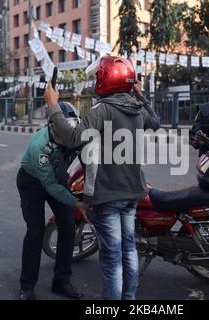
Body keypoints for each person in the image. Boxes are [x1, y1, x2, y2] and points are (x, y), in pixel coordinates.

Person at [44, 56, 160, 300]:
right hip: (133, 193)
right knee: (129, 250)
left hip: (107, 195)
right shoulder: (136, 108)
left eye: (98, 75)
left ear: (106, 79)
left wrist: (53, 107)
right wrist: (140, 95)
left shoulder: (103, 109)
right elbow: (156, 122)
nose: (96, 78)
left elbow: (72, 137)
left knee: (112, 258)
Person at [17, 102, 90, 300]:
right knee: (36, 231)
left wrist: (92, 193)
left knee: (68, 225)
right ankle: (27, 286)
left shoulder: (77, 136)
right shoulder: (39, 146)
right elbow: (49, 185)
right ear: (52, 126)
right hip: (32, 182)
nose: (69, 139)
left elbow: (88, 165)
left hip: (59, 178)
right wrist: (76, 203)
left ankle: (61, 281)